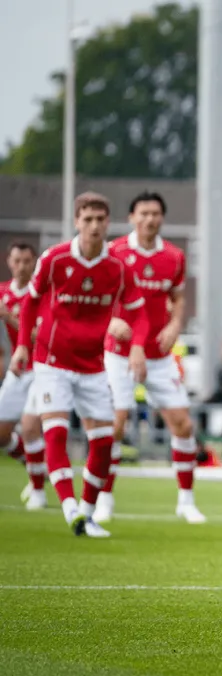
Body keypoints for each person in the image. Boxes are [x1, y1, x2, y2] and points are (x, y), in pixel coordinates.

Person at [9, 192, 150, 538]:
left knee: (103, 441)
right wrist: (23, 346)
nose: (94, 226)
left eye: (100, 219)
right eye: (87, 219)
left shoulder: (117, 268)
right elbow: (30, 303)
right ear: (76, 222)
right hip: (51, 361)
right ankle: (68, 506)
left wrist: (136, 345)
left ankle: (86, 514)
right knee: (54, 431)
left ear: (108, 222)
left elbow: (140, 313)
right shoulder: (55, 259)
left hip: (93, 365)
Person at [96, 191, 206, 524]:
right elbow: (97, 298)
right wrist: (110, 320)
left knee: (183, 425)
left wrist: (175, 324)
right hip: (118, 355)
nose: (150, 219)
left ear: (162, 218)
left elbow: (178, 298)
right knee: (115, 425)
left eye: (156, 213)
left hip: (159, 355)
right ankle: (104, 500)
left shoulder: (173, 256)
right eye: (143, 213)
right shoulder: (113, 252)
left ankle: (186, 501)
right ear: (131, 217)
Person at [0, 243, 48, 510]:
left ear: (34, 263)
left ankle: (38, 491)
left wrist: (9, 316)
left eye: (27, 261)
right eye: (17, 260)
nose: (21, 266)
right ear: (9, 261)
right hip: (17, 370)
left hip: (42, 368)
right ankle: (38, 466)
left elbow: (38, 336)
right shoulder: (3, 292)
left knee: (30, 427)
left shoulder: (41, 293)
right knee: (1, 435)